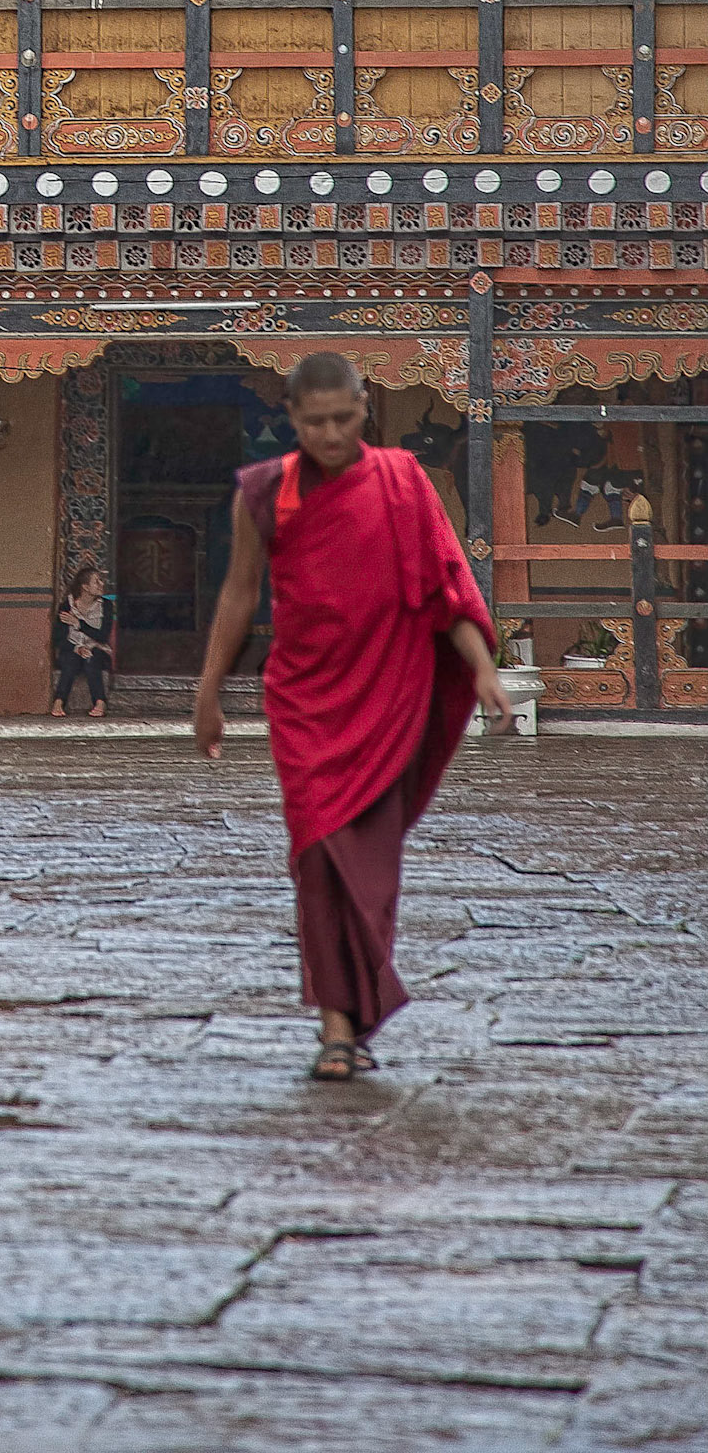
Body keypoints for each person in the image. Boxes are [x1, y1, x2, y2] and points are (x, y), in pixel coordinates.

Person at [194, 352, 512, 1083]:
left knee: (370, 868)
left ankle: (353, 1020)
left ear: (365, 407)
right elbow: (239, 595)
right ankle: (336, 1026)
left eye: (343, 418)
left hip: (388, 695)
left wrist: (483, 668)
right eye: (315, 423)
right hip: (306, 702)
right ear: (291, 418)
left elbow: (442, 586)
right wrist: (208, 692)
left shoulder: (403, 480)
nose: (332, 434)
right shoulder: (265, 492)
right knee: (317, 863)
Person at [52, 565, 113, 718]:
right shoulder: (67, 606)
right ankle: (59, 702)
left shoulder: (106, 605)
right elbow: (59, 638)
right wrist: (77, 648)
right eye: (97, 581)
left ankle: (100, 702)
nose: (101, 584)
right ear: (85, 587)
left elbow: (102, 636)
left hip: (97, 649)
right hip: (72, 650)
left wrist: (79, 624)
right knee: (70, 661)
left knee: (91, 659)